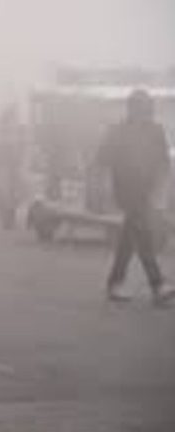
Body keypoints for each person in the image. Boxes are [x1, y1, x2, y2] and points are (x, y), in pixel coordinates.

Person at [98, 89, 174, 306]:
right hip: (126, 189)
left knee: (130, 235)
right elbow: (103, 158)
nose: (142, 112)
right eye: (138, 107)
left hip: (145, 189)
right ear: (131, 109)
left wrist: (160, 188)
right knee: (141, 231)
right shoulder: (119, 131)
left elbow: (163, 161)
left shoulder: (155, 131)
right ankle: (157, 284)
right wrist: (106, 185)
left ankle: (115, 282)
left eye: (145, 107)